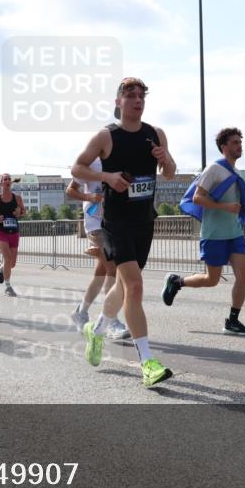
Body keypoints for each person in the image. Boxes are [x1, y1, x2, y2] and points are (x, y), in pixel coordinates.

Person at [71, 77, 176, 387]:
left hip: (144, 219)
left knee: (124, 285)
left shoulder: (155, 134)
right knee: (136, 286)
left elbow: (169, 174)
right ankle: (147, 363)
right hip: (115, 221)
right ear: (118, 102)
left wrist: (164, 158)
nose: (136, 99)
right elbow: (77, 168)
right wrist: (108, 175)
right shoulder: (106, 136)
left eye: (141, 94)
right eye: (129, 94)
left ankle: (97, 329)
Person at [162, 128, 245, 336]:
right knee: (211, 280)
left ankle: (233, 321)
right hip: (214, 234)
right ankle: (177, 282)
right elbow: (197, 198)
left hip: (234, 232)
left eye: (240, 142)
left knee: (243, 274)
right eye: (235, 142)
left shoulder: (237, 173)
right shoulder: (214, 169)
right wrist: (225, 208)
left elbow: (236, 204)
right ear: (224, 147)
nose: (239, 146)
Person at [66, 167, 130, 340]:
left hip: (114, 222)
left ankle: (81, 312)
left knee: (101, 273)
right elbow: (70, 189)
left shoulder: (118, 156)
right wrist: (88, 197)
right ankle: (112, 322)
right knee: (113, 270)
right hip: (96, 225)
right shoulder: (90, 161)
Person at [0, 173, 25, 297]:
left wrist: (19, 212)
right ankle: (8, 287)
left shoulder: (17, 198)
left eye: (9, 179)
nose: (7, 181)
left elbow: (24, 211)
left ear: (11, 183)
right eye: (5, 179)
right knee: (7, 258)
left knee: (12, 264)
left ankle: (0, 268)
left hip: (14, 232)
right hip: (1, 232)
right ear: (1, 183)